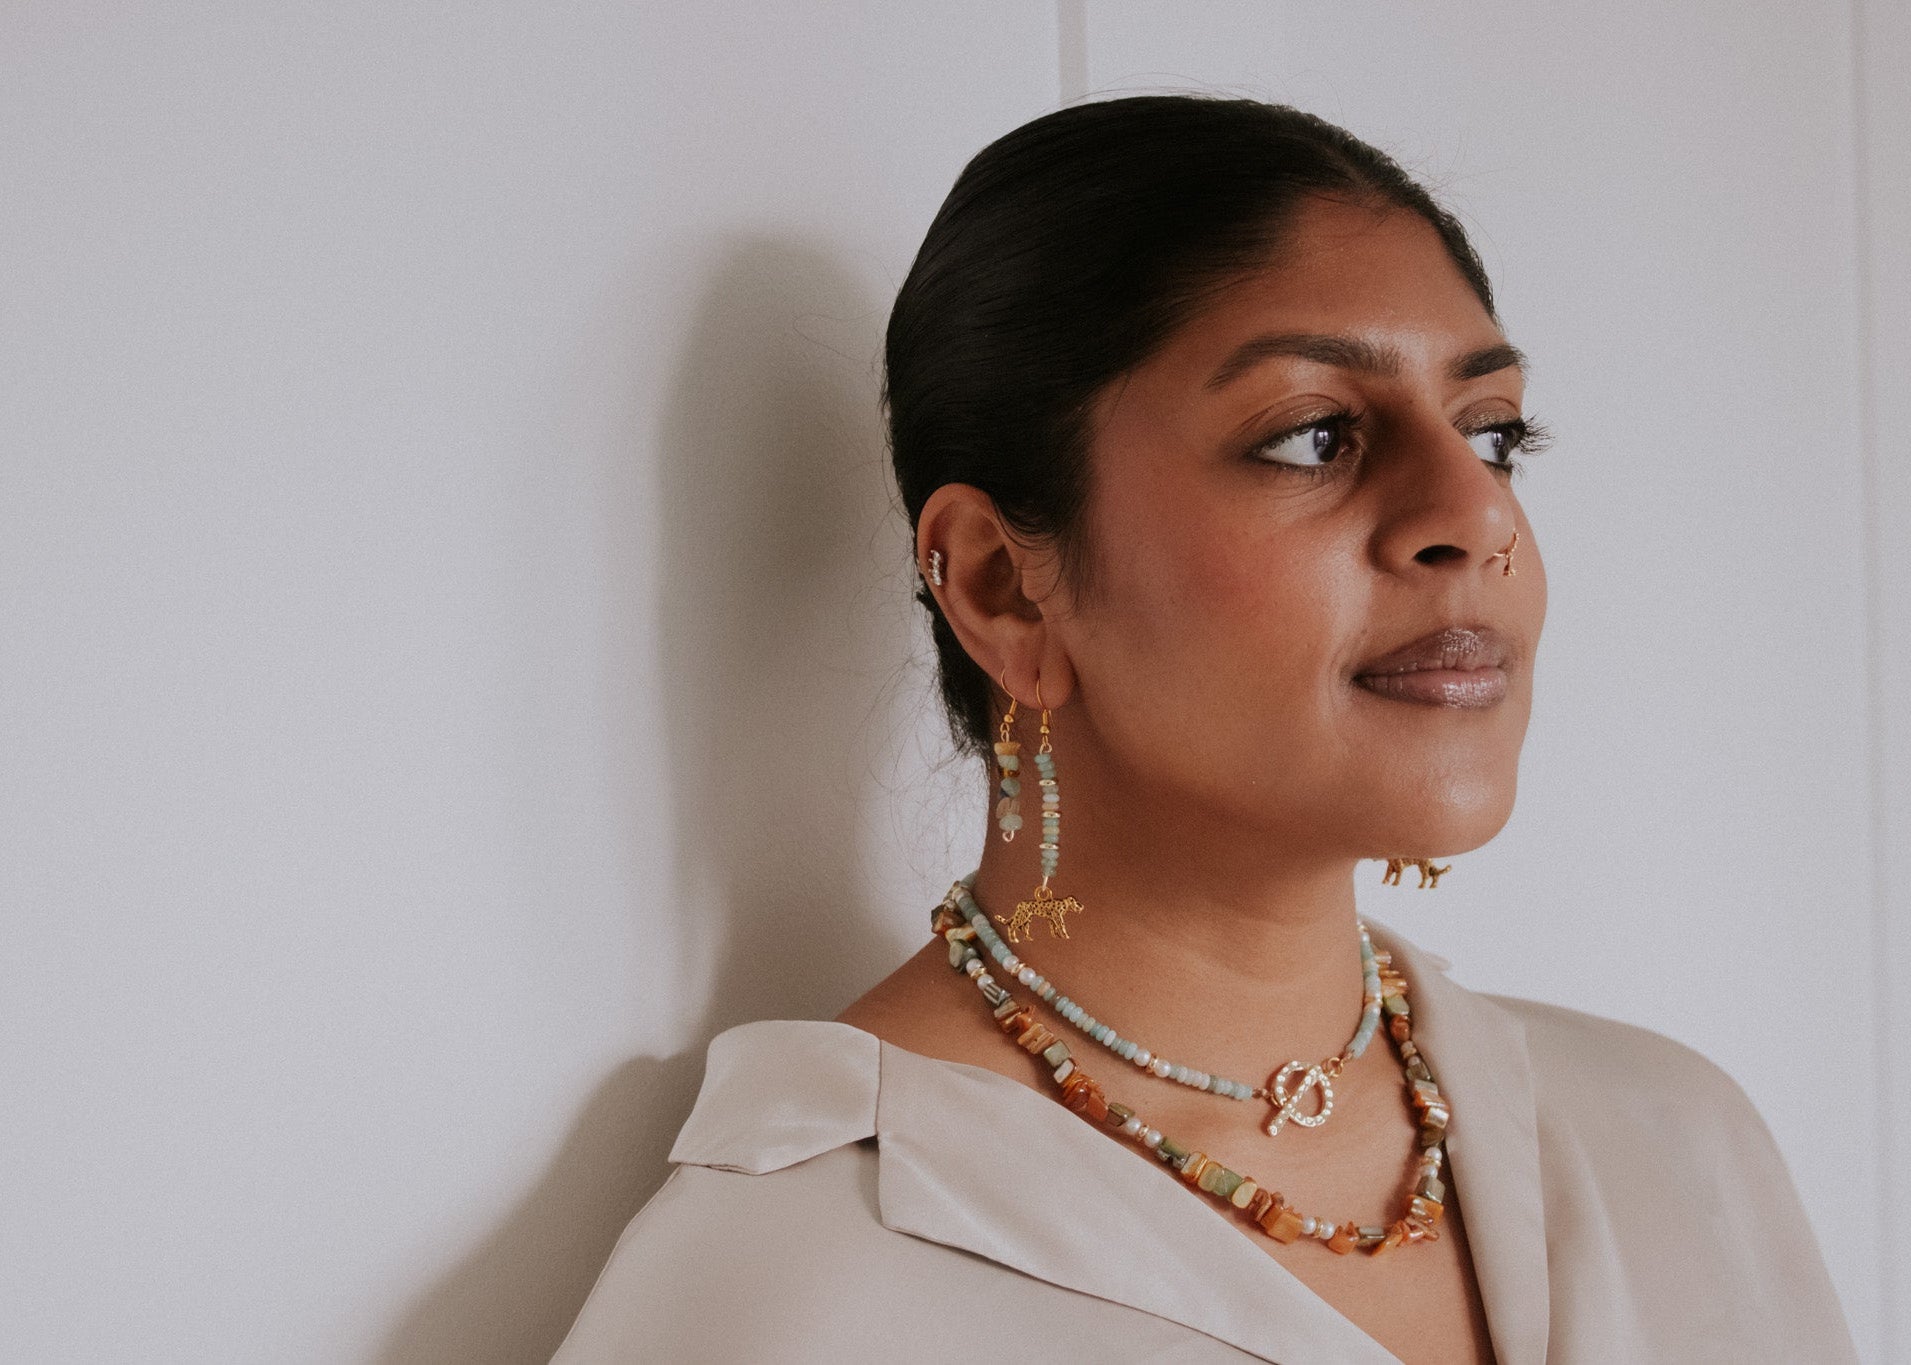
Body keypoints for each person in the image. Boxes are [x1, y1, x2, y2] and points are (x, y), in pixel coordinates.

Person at [551, 95, 1854, 1363]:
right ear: (1004, 587)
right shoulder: (799, 1282)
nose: (1476, 513)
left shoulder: (1677, 1151)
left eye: (1495, 434)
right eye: (1315, 437)